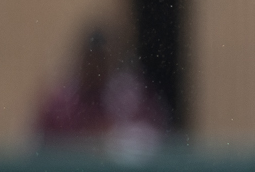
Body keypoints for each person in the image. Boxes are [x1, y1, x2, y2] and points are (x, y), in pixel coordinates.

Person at [33, 24, 169, 155]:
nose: (95, 68)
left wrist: (114, 139)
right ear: (82, 60)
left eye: (101, 61)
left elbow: (154, 140)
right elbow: (37, 146)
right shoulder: (60, 103)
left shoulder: (130, 100)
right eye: (91, 60)